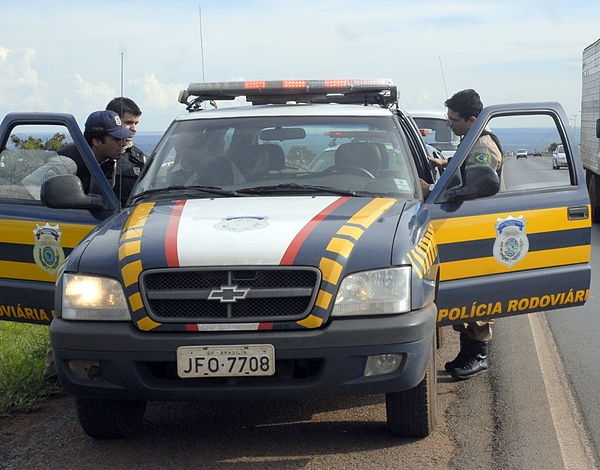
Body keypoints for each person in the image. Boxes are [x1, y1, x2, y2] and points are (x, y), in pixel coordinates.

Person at [43, 110, 133, 382]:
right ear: (95, 141)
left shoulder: (117, 160)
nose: (123, 143)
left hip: (103, 239)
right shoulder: (67, 160)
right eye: (115, 138)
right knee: (72, 306)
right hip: (69, 236)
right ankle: (56, 371)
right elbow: (41, 190)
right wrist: (89, 201)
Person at [428, 89, 503, 380]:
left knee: (477, 295)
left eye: (453, 120)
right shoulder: (471, 140)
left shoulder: (483, 144)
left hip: (480, 227)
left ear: (472, 119)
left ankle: (479, 355)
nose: (450, 125)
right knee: (464, 296)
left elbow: (479, 181)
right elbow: (465, 166)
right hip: (468, 225)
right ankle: (466, 353)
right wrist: (445, 166)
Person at [57, 109, 134, 197]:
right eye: (117, 139)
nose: (123, 143)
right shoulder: (66, 163)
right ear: (96, 142)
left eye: (123, 138)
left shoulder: (110, 161)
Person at [106, 97, 148, 206]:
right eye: (129, 122)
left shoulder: (141, 160)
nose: (134, 129)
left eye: (136, 123)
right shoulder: (89, 154)